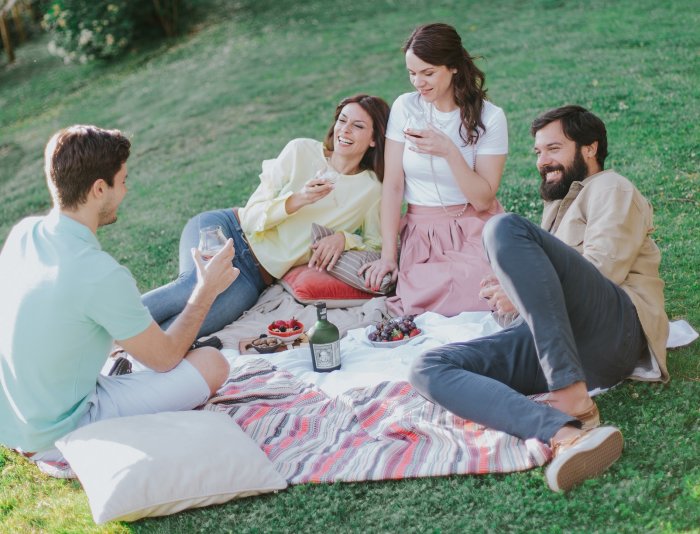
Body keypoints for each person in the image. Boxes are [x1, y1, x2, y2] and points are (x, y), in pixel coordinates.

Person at [409, 105, 669, 492]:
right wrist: (510, 297)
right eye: (537, 152)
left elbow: (602, 271)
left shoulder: (610, 187)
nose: (543, 161)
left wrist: (520, 291)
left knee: (503, 227)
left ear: (589, 149)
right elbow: (543, 308)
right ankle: (567, 434)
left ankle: (571, 397)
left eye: (554, 148)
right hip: (569, 348)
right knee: (428, 367)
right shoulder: (557, 206)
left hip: (615, 330)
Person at [0, 126, 238, 463]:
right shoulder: (98, 272)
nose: (126, 190)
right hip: (59, 431)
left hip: (13, 420)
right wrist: (206, 289)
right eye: (122, 180)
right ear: (99, 189)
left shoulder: (24, 234)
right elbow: (165, 358)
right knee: (212, 363)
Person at [142, 94, 390, 337]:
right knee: (191, 287)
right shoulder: (300, 151)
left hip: (254, 278)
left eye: (358, 126)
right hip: (228, 232)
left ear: (373, 140)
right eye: (342, 120)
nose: (345, 130)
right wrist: (298, 199)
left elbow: (377, 245)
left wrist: (344, 239)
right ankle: (106, 329)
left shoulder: (372, 189)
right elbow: (250, 218)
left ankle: (130, 353)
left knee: (191, 327)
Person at [360, 23, 508, 317]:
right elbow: (393, 186)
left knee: (482, 292)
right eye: (412, 73)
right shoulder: (406, 108)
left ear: (452, 67)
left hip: (475, 227)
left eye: (428, 73)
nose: (418, 82)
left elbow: (483, 200)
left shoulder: (490, 118)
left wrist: (449, 151)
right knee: (428, 300)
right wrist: (389, 257)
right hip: (422, 232)